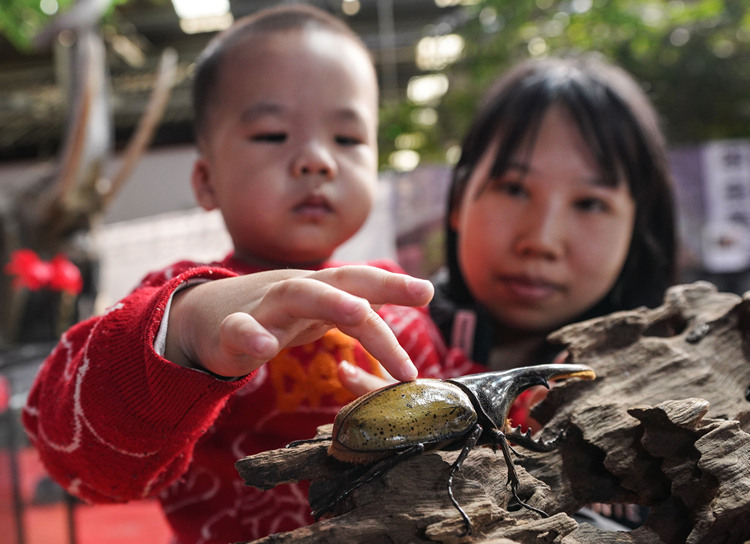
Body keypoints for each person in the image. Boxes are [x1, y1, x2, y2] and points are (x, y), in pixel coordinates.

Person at [22, 5, 456, 543]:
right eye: (273, 134)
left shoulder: (395, 295)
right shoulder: (178, 302)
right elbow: (81, 463)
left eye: (347, 139)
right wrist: (181, 338)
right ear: (206, 181)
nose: (317, 159)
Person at [341, 55, 678, 529]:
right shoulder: (375, 331)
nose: (540, 239)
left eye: (590, 202)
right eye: (514, 188)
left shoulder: (672, 406)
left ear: (637, 229)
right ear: (458, 200)